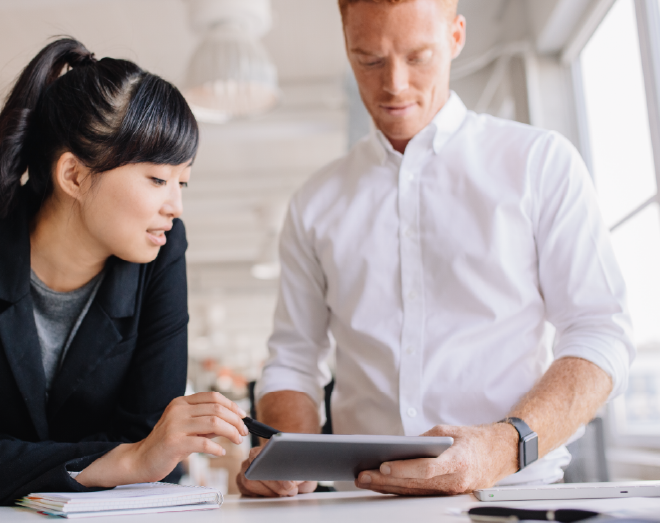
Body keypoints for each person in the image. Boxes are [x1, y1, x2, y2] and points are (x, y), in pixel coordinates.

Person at [237, 0, 634, 497]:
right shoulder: (315, 202)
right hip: (360, 503)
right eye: (370, 60)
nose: (395, 84)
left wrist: (502, 447)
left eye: (418, 56)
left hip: (511, 492)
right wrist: (287, 454)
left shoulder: (539, 163)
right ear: (347, 46)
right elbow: (294, 359)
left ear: (456, 37)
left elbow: (599, 331)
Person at [0, 37, 249, 506]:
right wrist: (126, 462)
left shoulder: (162, 250)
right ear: (73, 175)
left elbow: (156, 459)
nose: (176, 206)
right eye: (157, 179)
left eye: (182, 181)